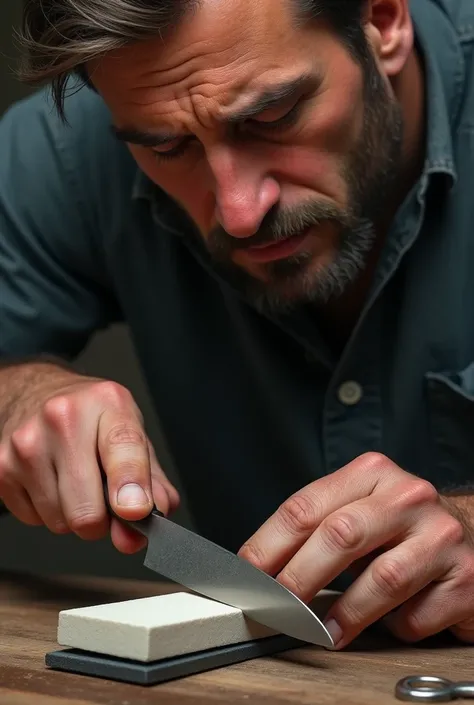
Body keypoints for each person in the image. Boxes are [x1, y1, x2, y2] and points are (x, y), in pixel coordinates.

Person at [1, 0, 473, 649]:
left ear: (384, 20)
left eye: (271, 117)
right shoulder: (73, 147)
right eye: (167, 148)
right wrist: (17, 399)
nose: (239, 211)